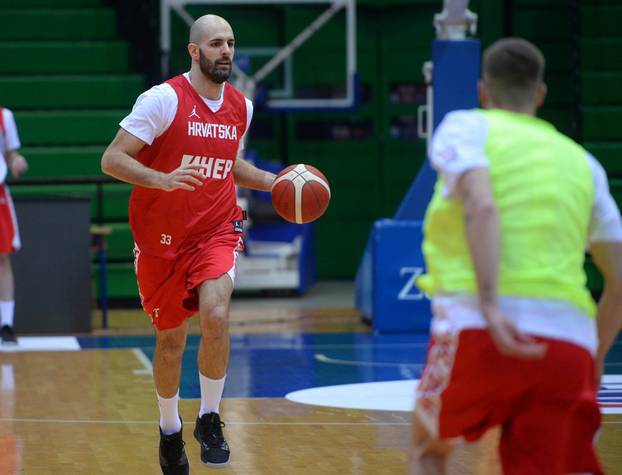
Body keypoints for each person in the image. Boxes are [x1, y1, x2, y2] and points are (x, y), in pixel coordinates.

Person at [411, 38, 622, 475]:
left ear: (483, 91)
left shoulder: (467, 126)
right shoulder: (584, 162)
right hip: (567, 346)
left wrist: (490, 304)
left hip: (478, 326)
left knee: (431, 451)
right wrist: (595, 353)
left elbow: (481, 204)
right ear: (540, 94)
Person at [101, 15, 276, 474]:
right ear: (194, 51)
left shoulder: (242, 106)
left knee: (216, 314)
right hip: (161, 241)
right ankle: (168, 429)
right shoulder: (163, 100)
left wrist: (276, 182)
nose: (226, 51)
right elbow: (112, 158)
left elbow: (230, 165)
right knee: (171, 344)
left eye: (231, 43)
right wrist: (162, 179)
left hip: (216, 230)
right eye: (216, 43)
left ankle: (211, 416)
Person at [0, 107, 28, 345]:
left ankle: (6, 324)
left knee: (3, 257)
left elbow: (10, 154)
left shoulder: (4, 116)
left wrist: (16, 160)